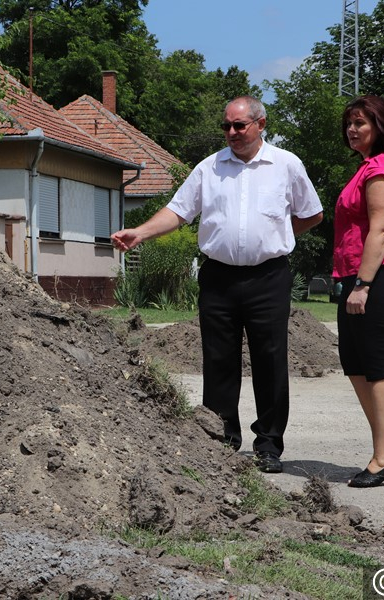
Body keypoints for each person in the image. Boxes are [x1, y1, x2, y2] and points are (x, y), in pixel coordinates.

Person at [111, 95, 323, 473]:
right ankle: (221, 440)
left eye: (239, 125)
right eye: (226, 126)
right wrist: (140, 232)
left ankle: (269, 445)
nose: (231, 132)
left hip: (268, 276)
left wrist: (278, 235)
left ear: (260, 124)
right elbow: (178, 211)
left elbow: (312, 214)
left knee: (270, 360)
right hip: (219, 277)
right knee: (219, 359)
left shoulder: (286, 164)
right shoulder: (209, 168)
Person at [333, 95, 384, 488]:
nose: (352, 129)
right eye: (349, 123)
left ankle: (383, 458)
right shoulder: (365, 167)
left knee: (379, 364)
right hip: (357, 274)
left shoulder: (383, 167)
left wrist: (363, 285)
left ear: (380, 127)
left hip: (381, 274)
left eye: (360, 123)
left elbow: (381, 230)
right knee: (355, 364)